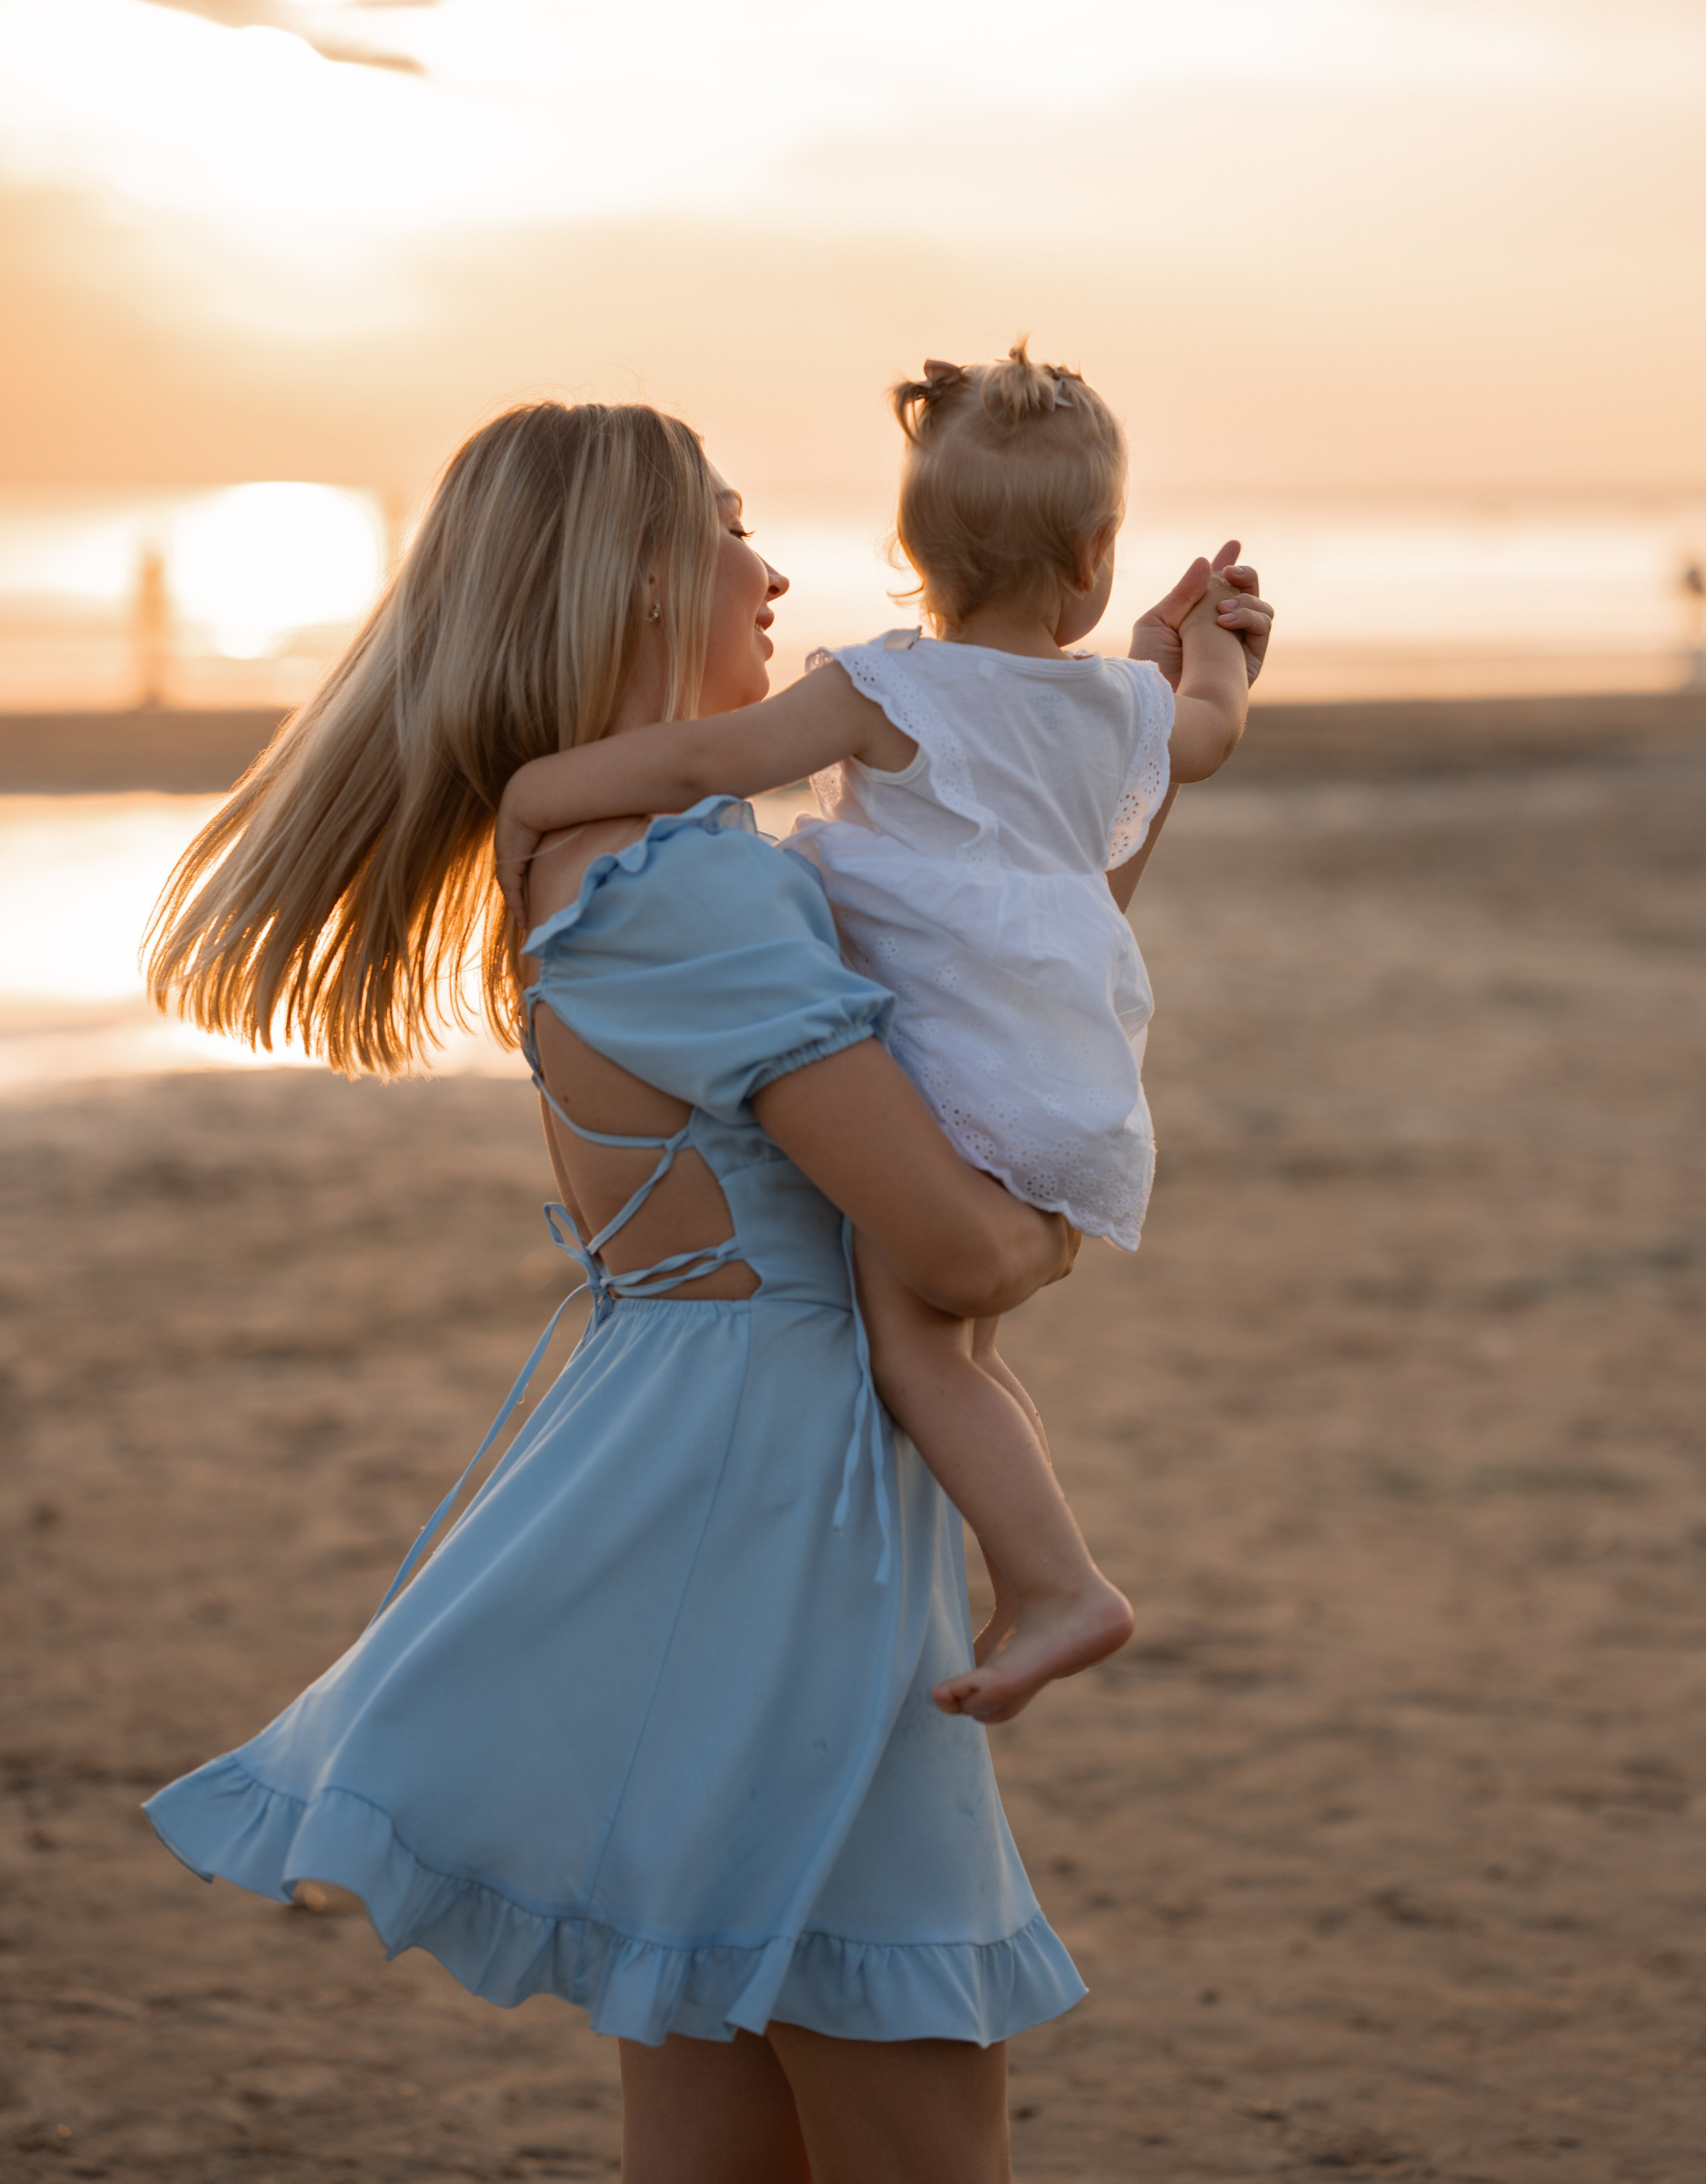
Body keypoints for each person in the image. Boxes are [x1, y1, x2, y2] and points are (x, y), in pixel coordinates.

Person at [142, 398, 1195, 2184]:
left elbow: (1021, 950)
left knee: (726, 2095)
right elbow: (951, 1246)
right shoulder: (682, 889)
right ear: (630, 575)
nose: (772, 566)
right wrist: (1049, 1237)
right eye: (725, 527)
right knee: (906, 2087)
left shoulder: (617, 863)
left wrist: (1120, 737)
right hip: (778, 1507)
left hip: (723, 1471)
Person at [494, 345, 1270, 1727]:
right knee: (963, 1353)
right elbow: (1152, 789)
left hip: (963, 1081)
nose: (773, 572)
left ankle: (1056, 1581)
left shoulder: (878, 692)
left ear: (910, 551)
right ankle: (1045, 1572)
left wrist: (533, 795)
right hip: (1066, 1059)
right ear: (1095, 557)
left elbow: (689, 767)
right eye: (735, 533)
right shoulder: (1118, 709)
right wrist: (1200, 658)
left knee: (923, 1349)